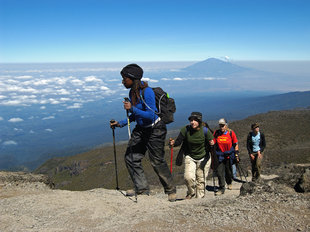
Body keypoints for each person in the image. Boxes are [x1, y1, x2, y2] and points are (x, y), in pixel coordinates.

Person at [110, 63, 176, 202]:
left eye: (124, 78)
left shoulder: (147, 92)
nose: (123, 81)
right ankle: (141, 189)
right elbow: (137, 116)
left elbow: (151, 115)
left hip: (155, 129)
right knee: (131, 157)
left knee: (157, 161)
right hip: (141, 128)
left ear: (132, 78)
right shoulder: (132, 92)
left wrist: (132, 109)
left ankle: (171, 190)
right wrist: (121, 123)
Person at [169, 112, 214, 199]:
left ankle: (199, 200)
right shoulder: (185, 130)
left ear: (199, 121)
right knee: (188, 177)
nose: (192, 122)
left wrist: (212, 144)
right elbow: (178, 141)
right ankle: (191, 192)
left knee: (201, 180)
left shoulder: (205, 131)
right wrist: (173, 143)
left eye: (195, 120)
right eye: (191, 120)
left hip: (204, 157)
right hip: (190, 156)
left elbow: (212, 142)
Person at [213, 118, 239, 195]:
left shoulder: (231, 133)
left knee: (228, 171)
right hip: (220, 155)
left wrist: (236, 154)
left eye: (223, 125)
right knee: (219, 172)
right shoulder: (216, 133)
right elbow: (213, 142)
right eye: (220, 125)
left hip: (229, 156)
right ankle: (221, 188)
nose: (221, 127)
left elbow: (235, 144)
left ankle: (229, 182)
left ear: (226, 125)